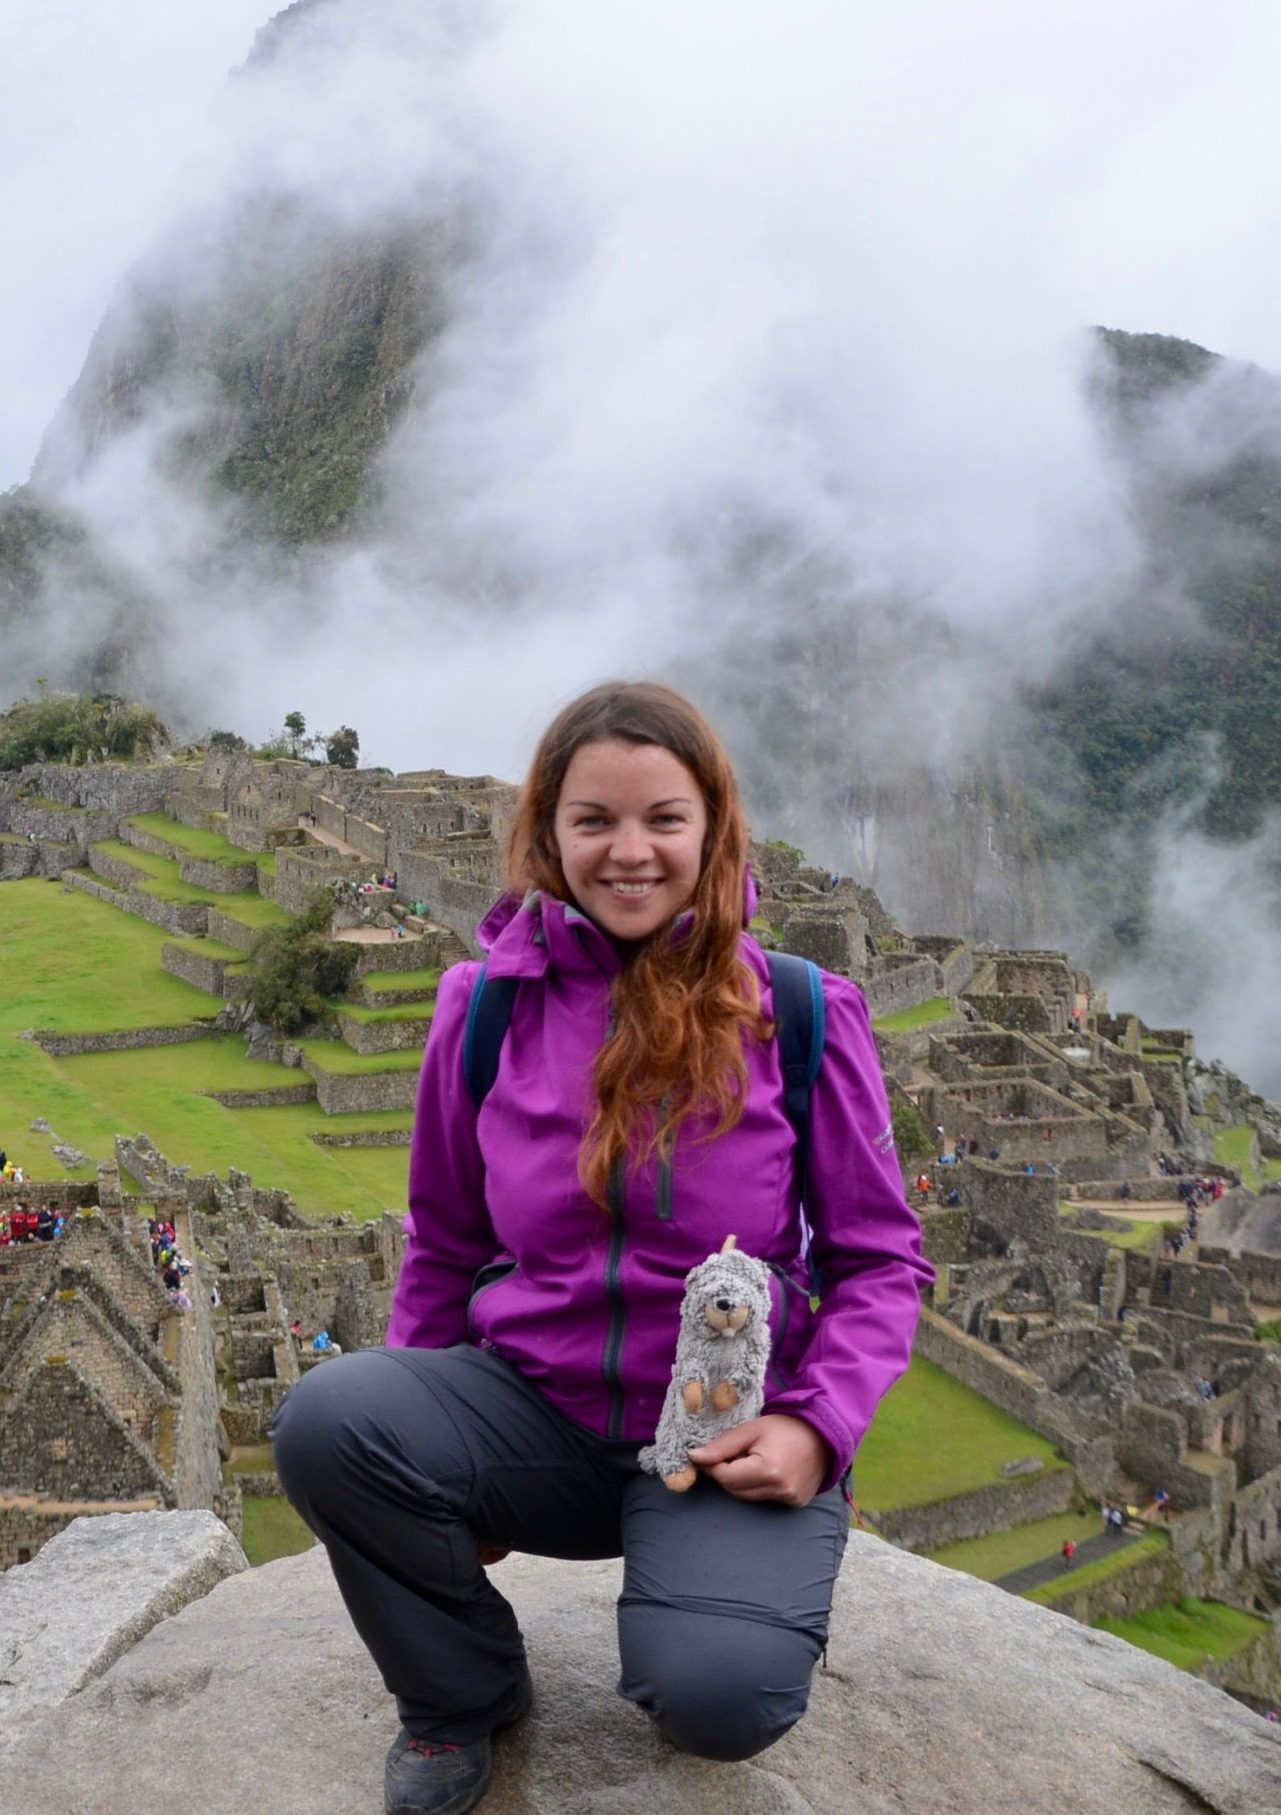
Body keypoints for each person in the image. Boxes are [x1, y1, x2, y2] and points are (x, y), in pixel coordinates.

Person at [273, 682, 931, 1815]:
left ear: (713, 829)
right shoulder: (480, 1010)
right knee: (334, 1423)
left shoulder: (801, 1013)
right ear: (548, 834)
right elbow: (443, 1241)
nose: (629, 853)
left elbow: (879, 1260)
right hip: (530, 1410)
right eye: (595, 822)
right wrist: (425, 1472)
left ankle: (699, 1615)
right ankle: (458, 1693)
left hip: (721, 1432)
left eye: (663, 820)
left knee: (722, 1704)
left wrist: (819, 1427)